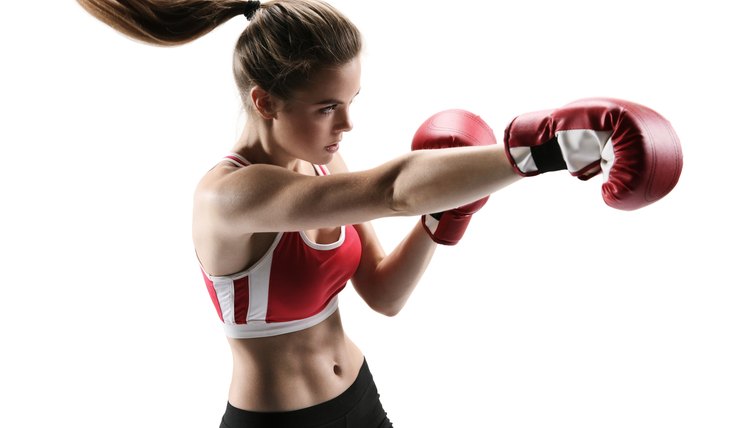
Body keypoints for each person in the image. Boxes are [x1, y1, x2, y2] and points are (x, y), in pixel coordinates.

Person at [75, 1, 683, 426]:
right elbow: (395, 188)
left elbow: (385, 293)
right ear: (265, 101)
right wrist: (551, 150)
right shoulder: (230, 196)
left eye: (352, 101)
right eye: (326, 107)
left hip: (360, 403)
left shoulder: (320, 167)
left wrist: (445, 216)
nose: (346, 125)